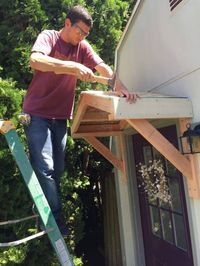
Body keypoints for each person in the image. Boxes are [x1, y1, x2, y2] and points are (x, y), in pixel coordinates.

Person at [22, 5, 137, 236]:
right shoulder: (49, 37)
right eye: (79, 32)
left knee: (59, 169)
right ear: (67, 23)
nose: (82, 37)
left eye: (86, 34)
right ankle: (54, 220)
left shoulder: (82, 47)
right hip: (37, 113)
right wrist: (72, 67)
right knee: (46, 169)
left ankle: (42, 204)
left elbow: (102, 67)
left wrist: (121, 87)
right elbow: (35, 61)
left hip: (60, 116)